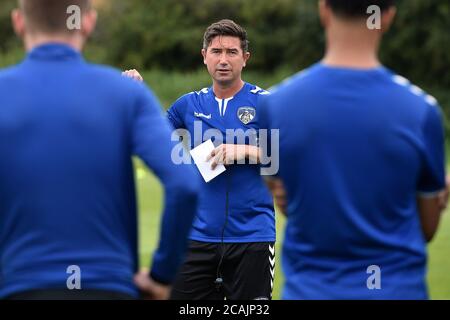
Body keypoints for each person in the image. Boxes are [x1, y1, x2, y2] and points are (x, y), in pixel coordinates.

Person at [0, 0, 199, 300]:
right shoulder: (128, 95)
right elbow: (185, 184)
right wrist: (162, 274)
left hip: (20, 286)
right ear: (89, 22)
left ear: (18, 22)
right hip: (108, 287)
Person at [258, 0, 448, 299]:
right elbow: (425, 229)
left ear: (323, 10)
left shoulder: (274, 106)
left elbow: (285, 200)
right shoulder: (422, 111)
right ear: (387, 17)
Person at [124, 19, 276, 300]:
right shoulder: (187, 105)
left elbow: (290, 154)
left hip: (252, 238)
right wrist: (135, 94)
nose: (223, 59)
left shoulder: (266, 103)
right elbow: (149, 135)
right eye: (216, 51)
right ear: (204, 56)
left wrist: (246, 151)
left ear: (245, 58)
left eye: (232, 52)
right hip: (195, 238)